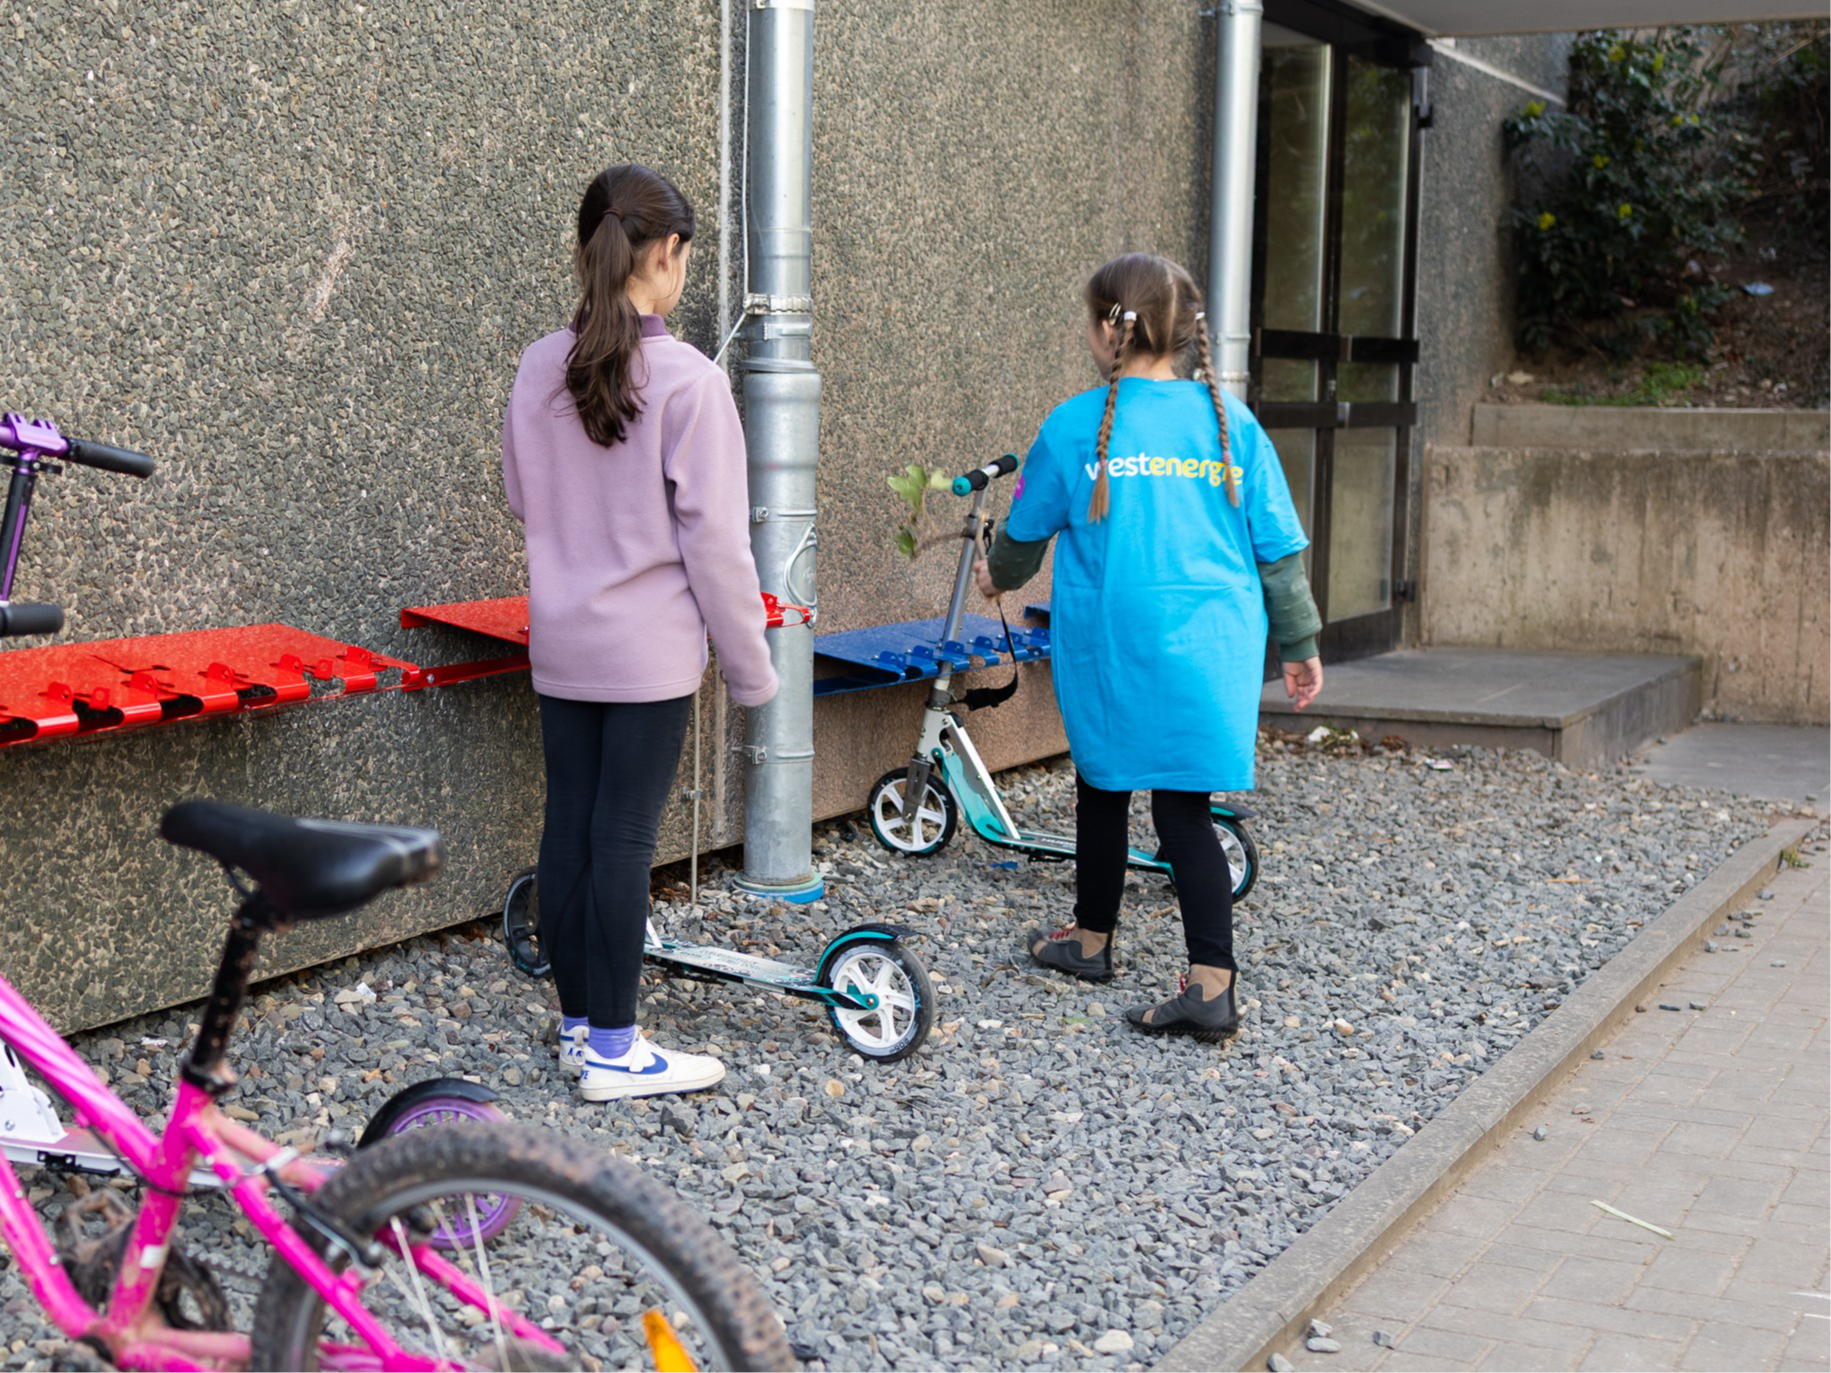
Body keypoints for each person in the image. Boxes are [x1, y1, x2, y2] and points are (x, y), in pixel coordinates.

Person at [975, 252, 1323, 1041]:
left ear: (1109, 329)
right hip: (1214, 645)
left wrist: (998, 577)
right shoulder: (1232, 423)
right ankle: (1206, 981)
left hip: (1114, 642)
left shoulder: (1073, 424)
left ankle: (1092, 941)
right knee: (1183, 810)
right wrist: (1299, 641)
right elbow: (1276, 550)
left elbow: (1023, 531)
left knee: (1102, 786)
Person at [502, 164, 778, 1100]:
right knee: (623, 839)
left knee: (569, 827)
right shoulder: (689, 382)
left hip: (561, 641)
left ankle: (581, 1028)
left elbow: (522, 497)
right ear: (665, 252)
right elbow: (718, 548)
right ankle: (617, 1051)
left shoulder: (539, 365)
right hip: (648, 655)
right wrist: (751, 671)